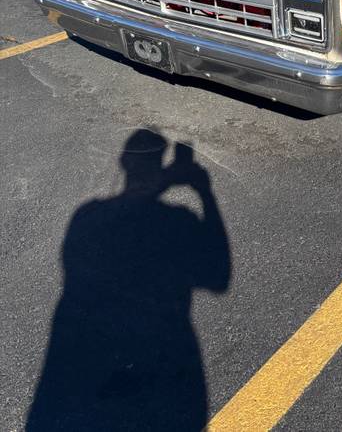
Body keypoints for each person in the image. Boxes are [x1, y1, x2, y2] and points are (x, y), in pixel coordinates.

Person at [27, 128, 230, 432]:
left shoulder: (87, 216)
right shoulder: (179, 221)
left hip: (81, 366)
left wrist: (160, 184)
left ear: (123, 163)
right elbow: (218, 277)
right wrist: (204, 191)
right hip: (164, 364)